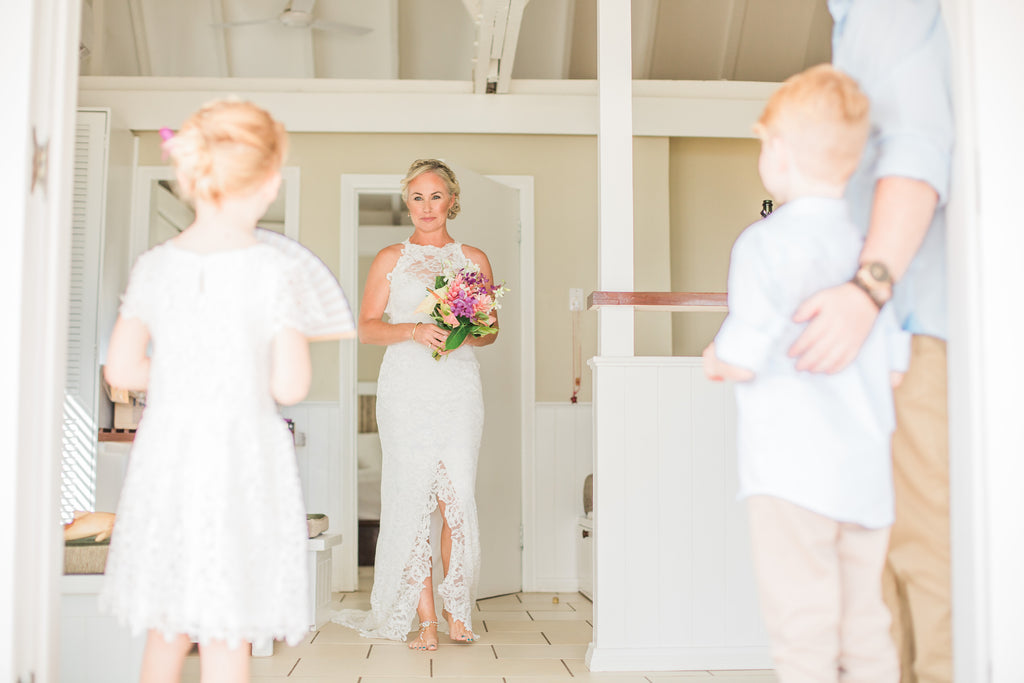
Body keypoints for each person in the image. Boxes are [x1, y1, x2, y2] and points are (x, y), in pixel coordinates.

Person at [100, 99, 327, 682]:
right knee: (230, 626)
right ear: (269, 184)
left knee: (167, 624)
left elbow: (122, 369)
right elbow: (291, 383)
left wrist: (180, 372)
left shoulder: (155, 265)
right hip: (240, 461)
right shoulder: (275, 272)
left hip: (170, 457)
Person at [702, 64, 910, 682]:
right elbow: (895, 368)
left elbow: (741, 355)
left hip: (791, 475)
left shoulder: (764, 244)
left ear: (780, 153)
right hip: (866, 477)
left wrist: (714, 360)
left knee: (803, 632)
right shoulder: (872, 249)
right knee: (868, 629)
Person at [787, 3, 954, 680]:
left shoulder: (889, 8)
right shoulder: (854, 21)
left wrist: (866, 290)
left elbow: (917, 151)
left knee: (923, 551)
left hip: (909, 334)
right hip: (885, 340)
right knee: (876, 560)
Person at [332, 158, 498, 651]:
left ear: (452, 200)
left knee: (456, 499)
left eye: (437, 196)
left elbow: (490, 333)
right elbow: (366, 327)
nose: (427, 206)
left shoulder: (474, 259)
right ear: (408, 201)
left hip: (458, 388)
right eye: (418, 197)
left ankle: (456, 609)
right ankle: (425, 617)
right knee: (411, 499)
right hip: (405, 388)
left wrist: (461, 331)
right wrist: (413, 330)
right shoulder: (390, 258)